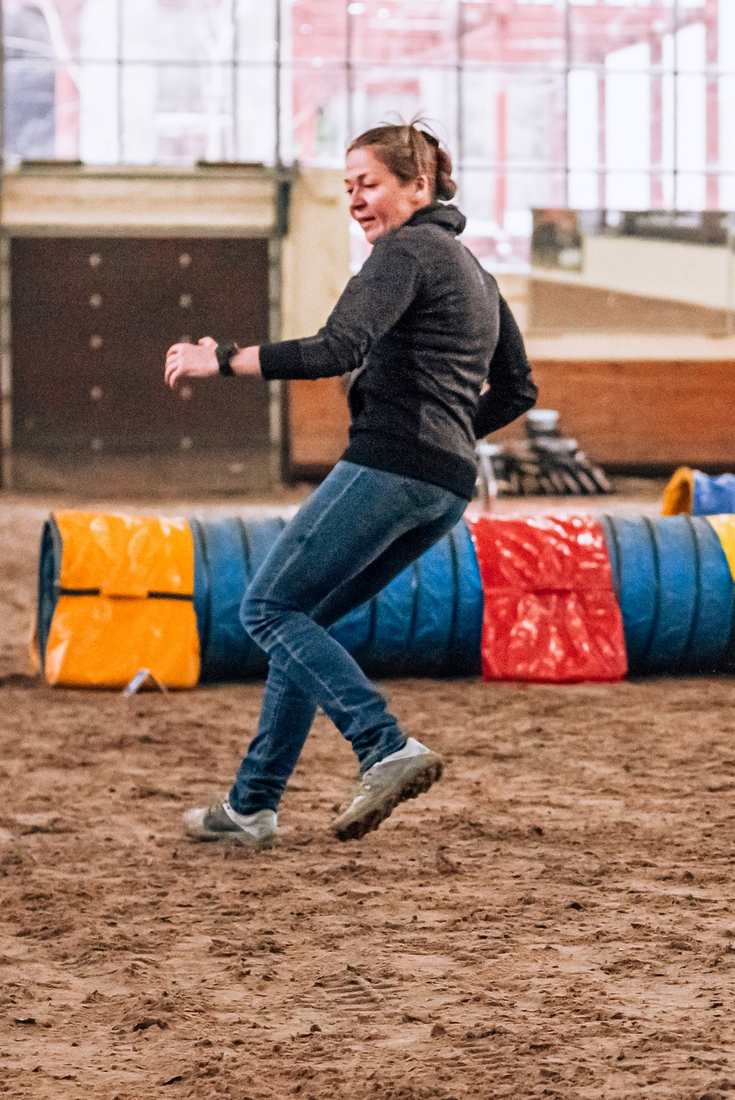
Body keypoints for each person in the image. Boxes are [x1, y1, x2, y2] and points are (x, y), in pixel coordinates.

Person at [165, 122, 536, 849]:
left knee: (267, 607)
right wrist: (455, 435)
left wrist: (226, 361)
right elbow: (517, 388)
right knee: (303, 621)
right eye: (348, 188)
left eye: (368, 184)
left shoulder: (404, 252)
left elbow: (337, 348)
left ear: (417, 186)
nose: (356, 202)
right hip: (442, 485)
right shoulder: (474, 271)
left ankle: (384, 745)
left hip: (393, 465)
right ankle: (252, 805)